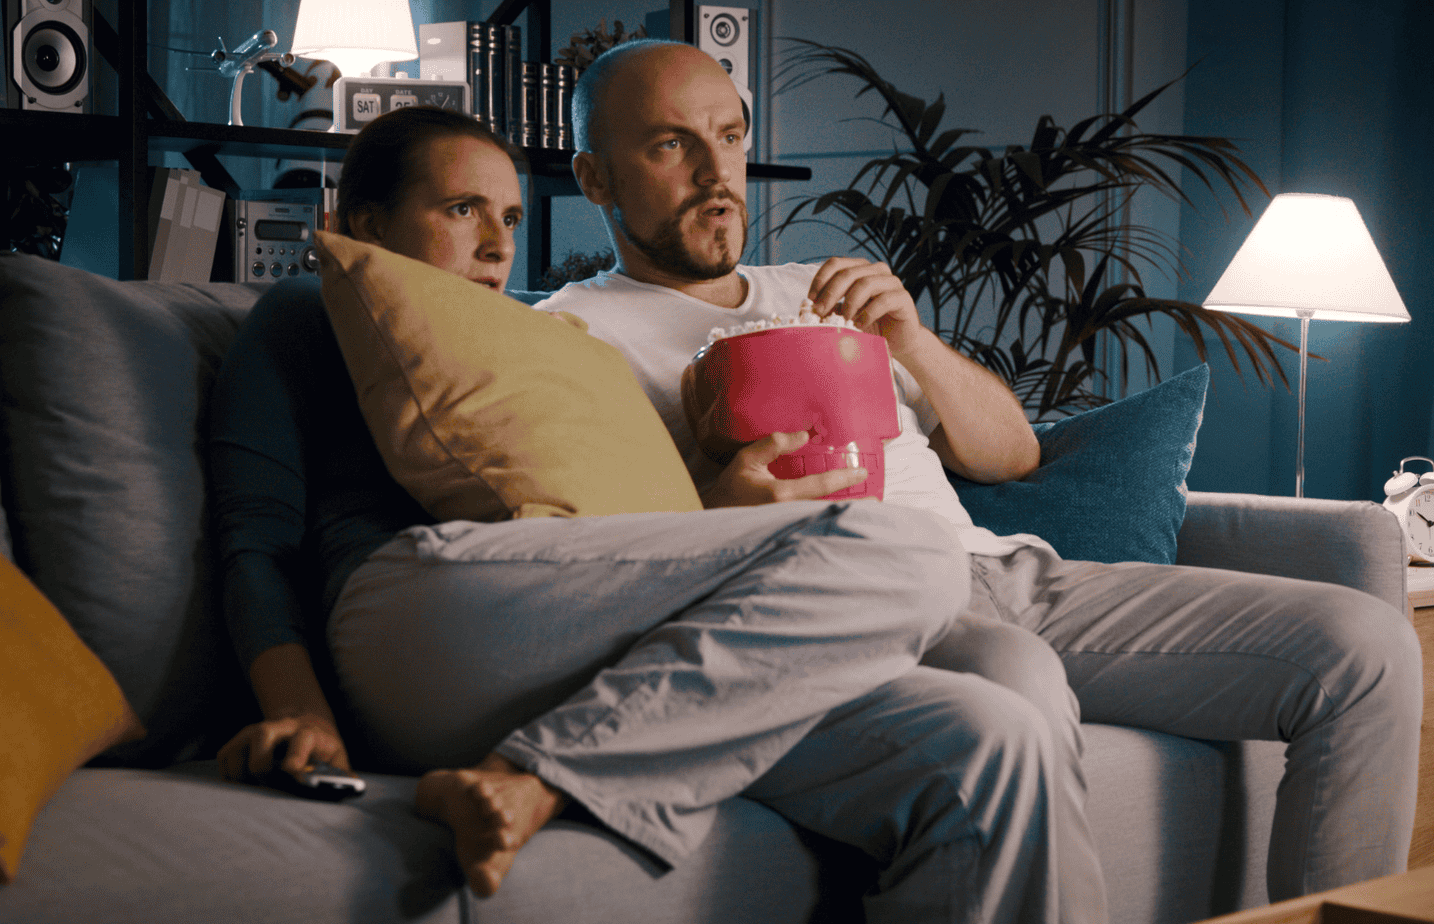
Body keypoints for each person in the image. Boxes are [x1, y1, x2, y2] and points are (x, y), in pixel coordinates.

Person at [543, 38, 1426, 905]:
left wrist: (913, 342)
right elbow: (591, 552)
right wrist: (716, 506)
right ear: (594, 179)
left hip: (1011, 571)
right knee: (1016, 677)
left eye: (729, 136)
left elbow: (1012, 454)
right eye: (671, 145)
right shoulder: (573, 335)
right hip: (858, 602)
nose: (715, 172)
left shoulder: (820, 286)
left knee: (1364, 645)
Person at [208, 104, 1076, 922]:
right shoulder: (304, 310)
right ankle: (543, 777)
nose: (496, 243)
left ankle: (543, 771)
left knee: (993, 737)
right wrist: (301, 712)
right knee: (900, 547)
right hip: (424, 611)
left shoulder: (536, 345)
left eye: (509, 218)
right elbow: (255, 540)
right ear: (364, 225)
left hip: (566, 631)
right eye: (461, 210)